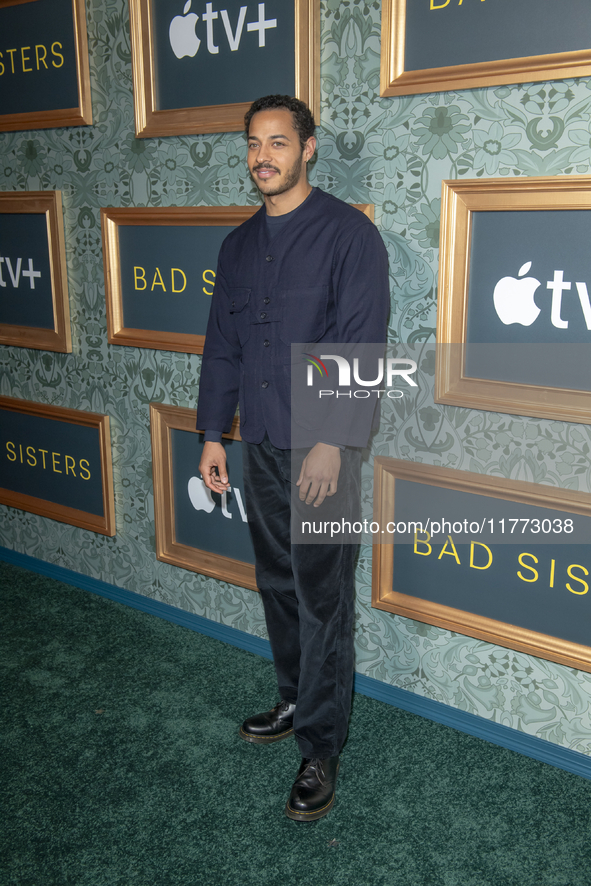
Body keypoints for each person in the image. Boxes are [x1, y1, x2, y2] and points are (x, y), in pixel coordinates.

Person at [196, 94, 389, 820]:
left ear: (308, 149)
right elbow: (223, 347)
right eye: (253, 143)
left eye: (278, 142)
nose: (263, 156)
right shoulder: (237, 246)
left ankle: (320, 745)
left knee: (322, 597)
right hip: (260, 446)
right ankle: (291, 696)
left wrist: (331, 445)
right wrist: (214, 433)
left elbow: (358, 343)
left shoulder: (347, 236)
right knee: (276, 580)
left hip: (318, 454)